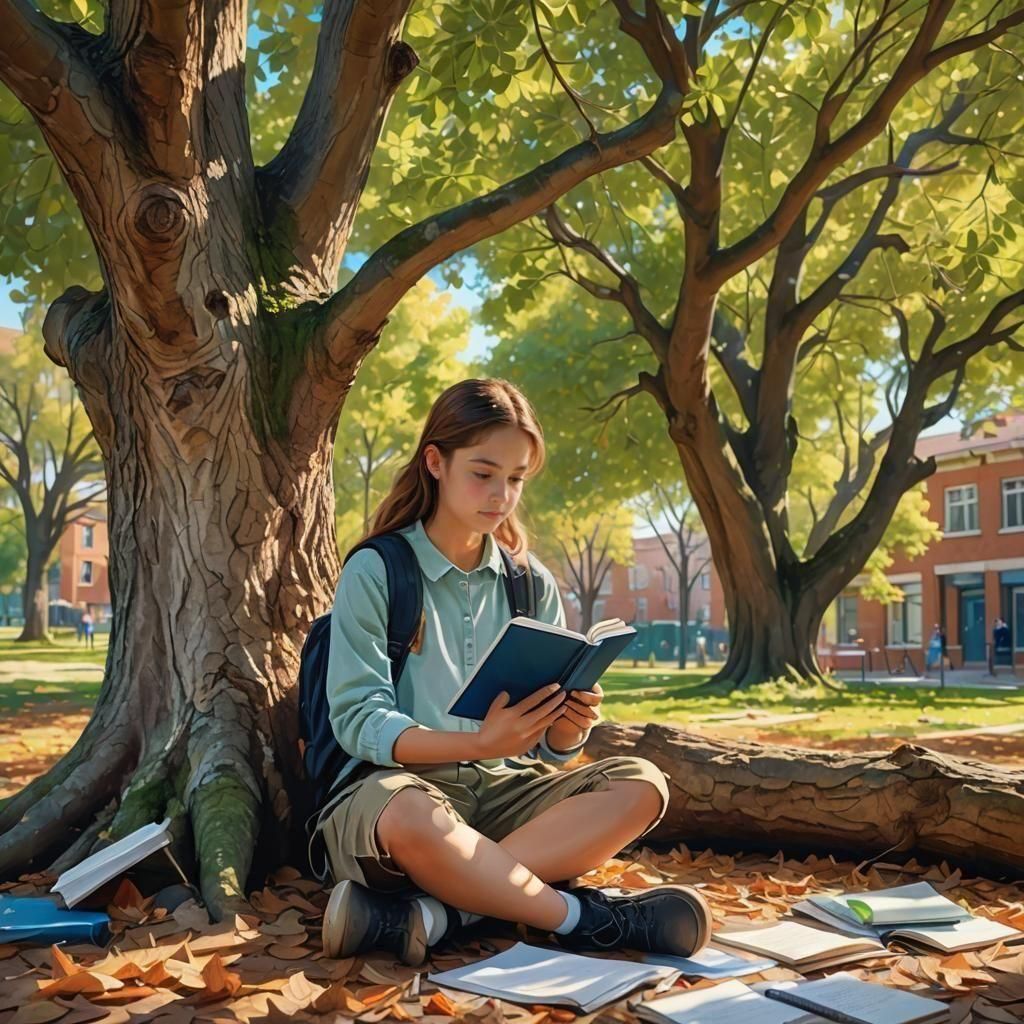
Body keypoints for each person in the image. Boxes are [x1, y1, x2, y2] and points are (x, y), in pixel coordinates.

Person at [314, 379, 710, 967]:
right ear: (435, 463)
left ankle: (438, 913)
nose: (501, 494)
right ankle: (587, 919)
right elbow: (358, 721)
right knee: (414, 815)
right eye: (483, 472)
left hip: (501, 790)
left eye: (517, 478)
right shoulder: (378, 569)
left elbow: (549, 755)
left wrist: (567, 727)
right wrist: (475, 741)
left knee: (642, 783)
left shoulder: (530, 583)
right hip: (392, 793)